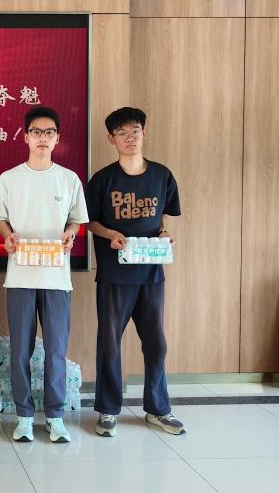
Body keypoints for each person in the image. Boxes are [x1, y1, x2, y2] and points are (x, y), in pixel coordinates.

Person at [0, 106, 88, 443]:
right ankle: (24, 416)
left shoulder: (69, 179)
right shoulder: (9, 178)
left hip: (57, 279)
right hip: (20, 277)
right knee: (21, 350)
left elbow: (76, 221)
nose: (42, 138)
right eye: (36, 132)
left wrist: (71, 234)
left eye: (49, 132)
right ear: (26, 137)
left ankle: (55, 416)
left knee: (56, 349)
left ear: (57, 138)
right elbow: (0, 220)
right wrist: (7, 235)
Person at [86, 106, 184, 437]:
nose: (130, 138)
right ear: (111, 139)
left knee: (156, 343)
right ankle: (107, 410)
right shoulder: (103, 179)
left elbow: (163, 216)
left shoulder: (162, 175)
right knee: (110, 344)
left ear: (144, 134)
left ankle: (158, 408)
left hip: (151, 273)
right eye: (122, 133)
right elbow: (89, 222)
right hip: (115, 275)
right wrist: (110, 234)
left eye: (135, 131)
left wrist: (164, 234)